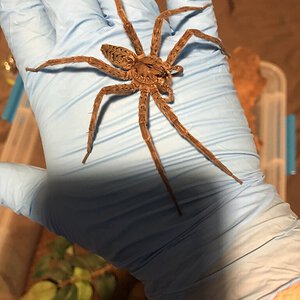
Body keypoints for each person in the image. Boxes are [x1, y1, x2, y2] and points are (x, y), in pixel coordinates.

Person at [0, 0, 299, 299]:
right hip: (130, 66)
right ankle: (177, 182)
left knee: (182, 36)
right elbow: (106, 91)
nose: (163, 79)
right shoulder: (132, 84)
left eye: (163, 74)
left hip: (143, 60)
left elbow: (181, 26)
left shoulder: (159, 56)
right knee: (155, 126)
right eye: (159, 77)